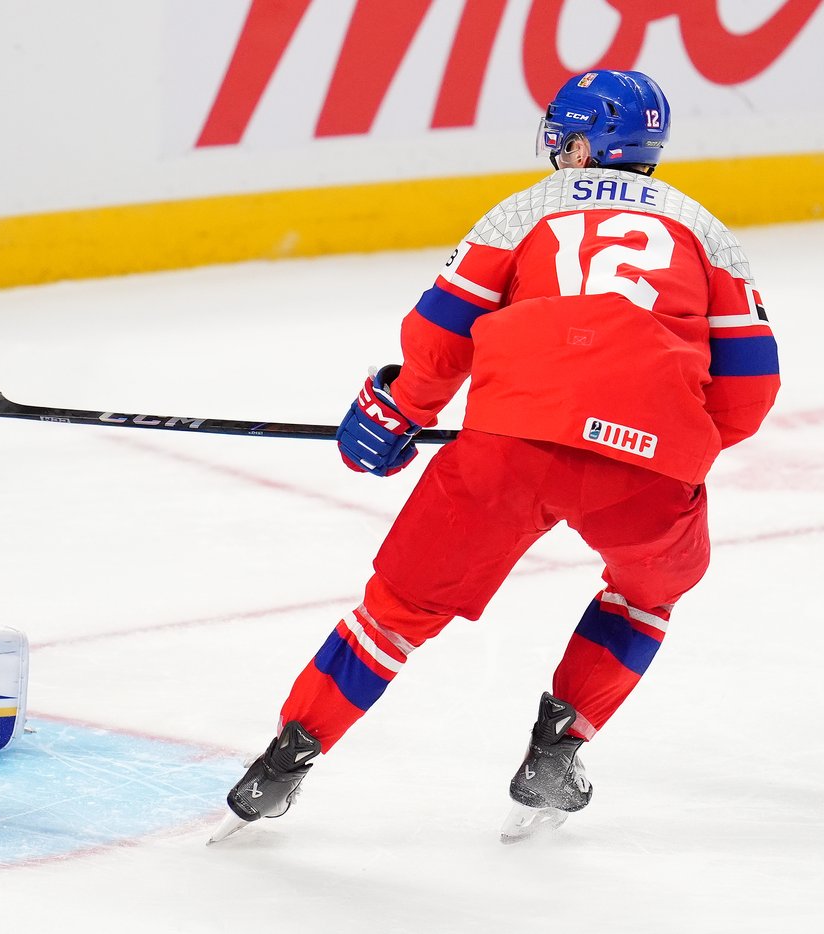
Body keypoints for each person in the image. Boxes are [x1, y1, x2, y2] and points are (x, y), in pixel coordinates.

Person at [212, 70, 780, 844]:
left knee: (396, 614)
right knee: (647, 592)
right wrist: (667, 437)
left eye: (564, 136)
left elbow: (443, 333)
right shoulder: (708, 232)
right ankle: (558, 748)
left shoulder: (524, 211)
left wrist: (396, 411)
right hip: (649, 466)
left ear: (584, 145)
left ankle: (283, 762)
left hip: (511, 447)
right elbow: (749, 388)